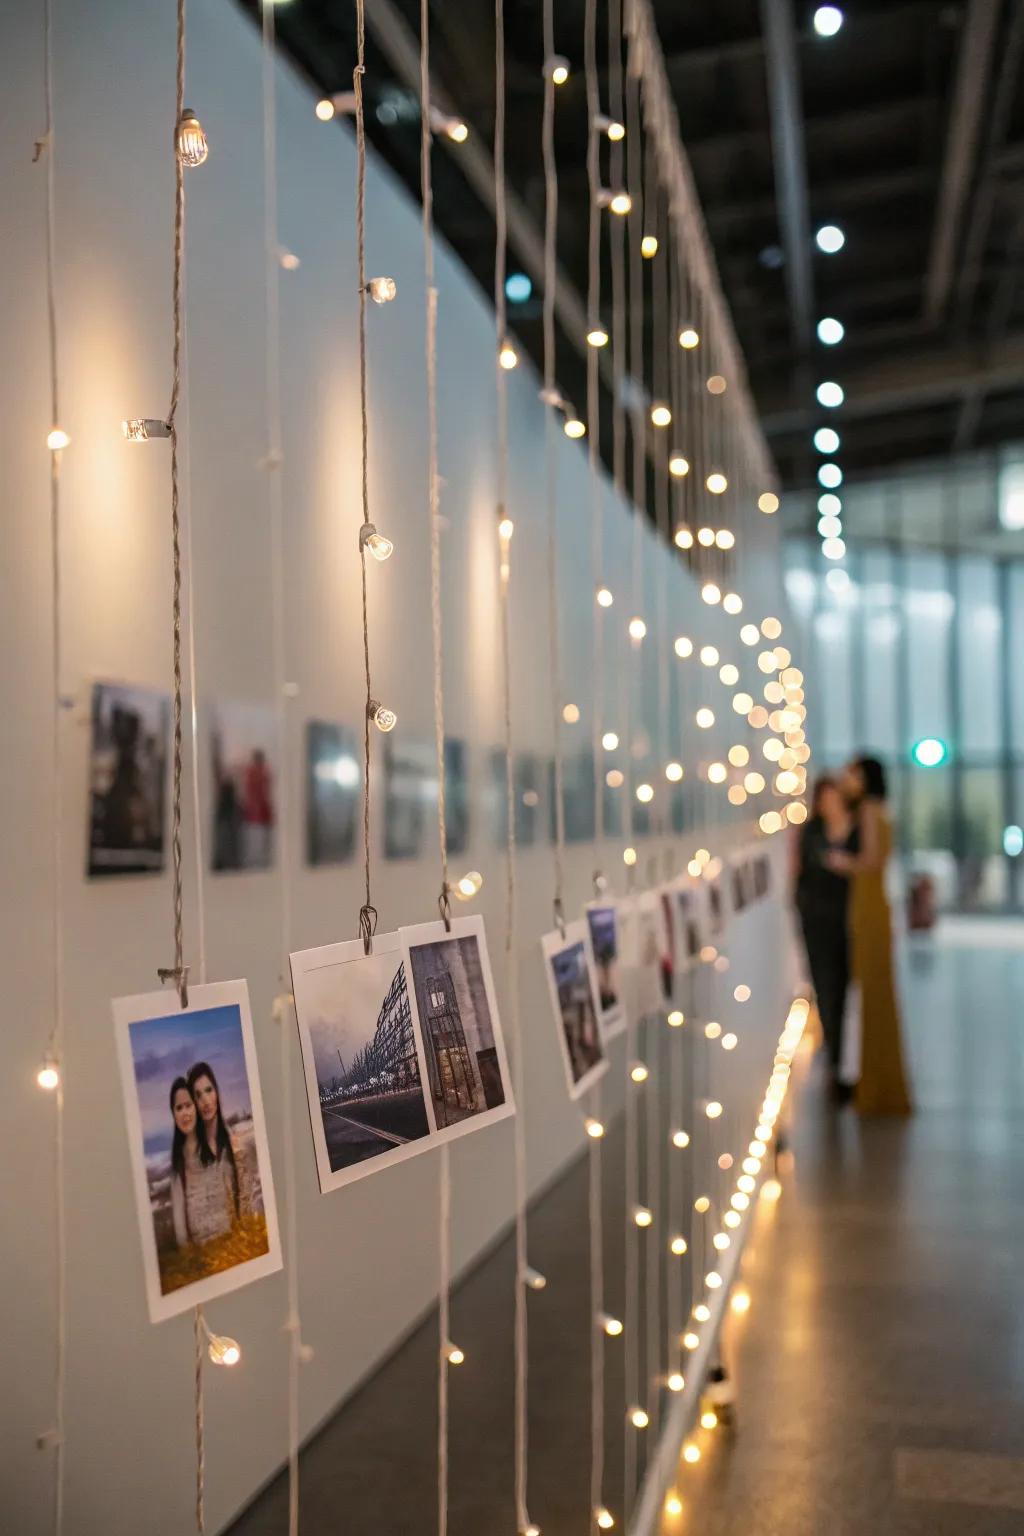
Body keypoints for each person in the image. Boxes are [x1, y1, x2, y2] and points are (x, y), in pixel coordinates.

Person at [829, 756, 913, 1116]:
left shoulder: (867, 809)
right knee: (875, 991)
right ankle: (877, 1081)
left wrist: (842, 863)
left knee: (871, 991)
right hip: (873, 901)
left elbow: (872, 858)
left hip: (868, 901)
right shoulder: (879, 808)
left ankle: (876, 1086)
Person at [793, 775, 856, 1092]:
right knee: (826, 988)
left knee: (846, 989)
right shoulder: (811, 831)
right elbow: (800, 872)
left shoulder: (857, 829)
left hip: (848, 918)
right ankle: (834, 1061)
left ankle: (846, 1060)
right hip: (817, 918)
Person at [183, 1061, 244, 1242]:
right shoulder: (192, 1159)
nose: (206, 1101)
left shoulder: (236, 1144)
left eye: (209, 1090)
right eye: (198, 1095)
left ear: (217, 1091)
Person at [168, 1077, 198, 1247]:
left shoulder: (213, 1146)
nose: (185, 1113)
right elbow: (181, 1231)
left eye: (188, 1105)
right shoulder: (177, 1167)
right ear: (173, 1113)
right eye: (179, 1108)